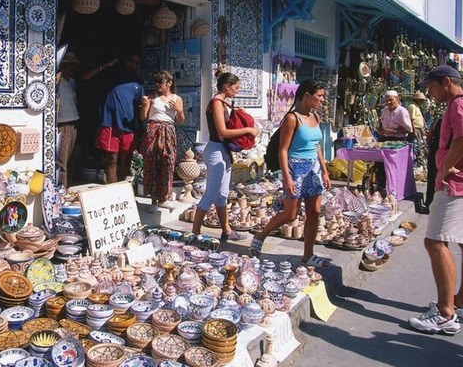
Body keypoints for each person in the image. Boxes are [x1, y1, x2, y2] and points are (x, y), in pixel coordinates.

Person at [409, 65, 463, 335]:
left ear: (446, 82)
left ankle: (446, 314)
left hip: (458, 186)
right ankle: (462, 304)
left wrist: (446, 168)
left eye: (431, 87)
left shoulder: (459, 104)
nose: (429, 92)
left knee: (435, 242)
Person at [249, 79, 332, 268]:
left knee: (314, 212)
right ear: (307, 96)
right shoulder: (292, 119)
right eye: (319, 96)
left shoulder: (315, 118)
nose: (322, 100)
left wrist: (325, 171)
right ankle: (260, 236)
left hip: (314, 170)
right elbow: (283, 150)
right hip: (295, 169)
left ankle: (308, 255)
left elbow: (316, 146)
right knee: (290, 214)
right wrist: (287, 177)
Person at [191, 73, 259, 242]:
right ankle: (194, 234)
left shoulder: (222, 104)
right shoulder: (216, 103)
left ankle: (226, 231)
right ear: (227, 86)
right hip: (215, 151)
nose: (237, 91)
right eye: (236, 87)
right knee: (211, 194)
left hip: (222, 151)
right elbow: (223, 132)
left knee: (221, 194)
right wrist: (247, 130)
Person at [89, 52, 144, 184]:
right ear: (124, 59)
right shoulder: (110, 75)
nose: (133, 65)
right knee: (111, 158)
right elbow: (86, 77)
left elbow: (139, 105)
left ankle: (121, 188)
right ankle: (112, 188)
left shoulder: (137, 82)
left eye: (136, 63)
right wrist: (106, 66)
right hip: (109, 123)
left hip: (128, 126)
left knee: (126, 159)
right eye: (131, 60)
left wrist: (141, 126)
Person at [138, 71, 185, 213]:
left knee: (168, 164)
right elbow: (142, 117)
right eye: (157, 82)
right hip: (154, 130)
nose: (158, 85)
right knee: (152, 163)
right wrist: (145, 105)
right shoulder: (152, 97)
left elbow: (181, 121)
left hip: (168, 131)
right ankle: (153, 200)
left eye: (161, 82)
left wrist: (179, 110)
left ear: (169, 83)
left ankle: (164, 198)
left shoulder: (177, 99)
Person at [56, 52, 81, 188]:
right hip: (62, 124)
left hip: (73, 123)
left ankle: (68, 186)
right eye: (70, 67)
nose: (72, 70)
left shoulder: (72, 82)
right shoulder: (57, 82)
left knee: (71, 159)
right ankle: (62, 189)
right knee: (62, 160)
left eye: (74, 68)